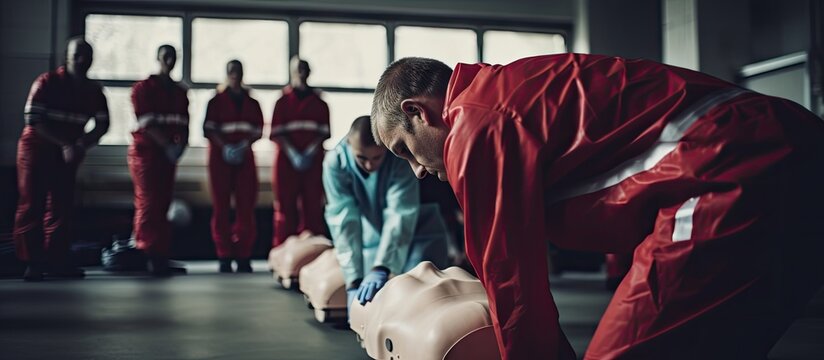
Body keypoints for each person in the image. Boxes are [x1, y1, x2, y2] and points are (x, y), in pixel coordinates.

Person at [370, 54, 824, 359]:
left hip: (730, 170)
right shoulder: (508, 87)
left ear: (418, 112)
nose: (418, 171)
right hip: (791, 149)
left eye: (405, 151)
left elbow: (512, 281)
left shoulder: (475, 126)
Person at [323, 116, 449, 311]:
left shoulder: (399, 157)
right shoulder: (334, 163)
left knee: (420, 299)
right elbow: (344, 221)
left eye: (376, 157)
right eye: (361, 158)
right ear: (349, 145)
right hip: (377, 239)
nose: (369, 165)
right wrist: (353, 281)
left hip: (421, 233)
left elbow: (400, 213)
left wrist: (381, 268)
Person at [14, 37, 109, 281]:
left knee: (61, 206)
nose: (81, 60)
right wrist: (66, 144)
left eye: (87, 55)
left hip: (68, 153)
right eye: (77, 54)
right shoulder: (46, 82)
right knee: (32, 204)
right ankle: (32, 263)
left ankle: (56, 260)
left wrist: (80, 144)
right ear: (66, 57)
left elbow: (102, 124)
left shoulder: (93, 91)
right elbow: (34, 119)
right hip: (36, 149)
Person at [129, 45, 189, 276]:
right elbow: (147, 123)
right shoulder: (143, 89)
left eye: (173, 57)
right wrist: (167, 146)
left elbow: (184, 124)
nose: (169, 61)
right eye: (165, 57)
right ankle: (147, 253)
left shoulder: (179, 93)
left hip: (167, 155)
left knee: (163, 203)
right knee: (148, 203)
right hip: (146, 154)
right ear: (158, 59)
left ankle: (160, 254)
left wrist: (179, 147)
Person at [204, 60, 264, 273]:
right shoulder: (216, 101)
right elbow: (208, 129)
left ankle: (243, 255)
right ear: (226, 73)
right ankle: (224, 255)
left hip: (244, 158)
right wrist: (226, 147)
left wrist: (243, 146)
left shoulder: (252, 102)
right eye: (231, 71)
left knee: (245, 207)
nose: (235, 75)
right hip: (220, 159)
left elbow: (258, 129)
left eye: (238, 72)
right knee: (221, 207)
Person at [269, 56, 329, 247]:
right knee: (285, 207)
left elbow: (324, 132)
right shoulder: (282, 102)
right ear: (291, 72)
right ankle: (283, 251)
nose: (301, 73)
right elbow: (277, 133)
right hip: (287, 160)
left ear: (309, 72)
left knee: (313, 206)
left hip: (313, 160)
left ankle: (313, 251)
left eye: (304, 69)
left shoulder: (320, 103)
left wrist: (309, 151)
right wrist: (294, 153)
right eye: (298, 69)